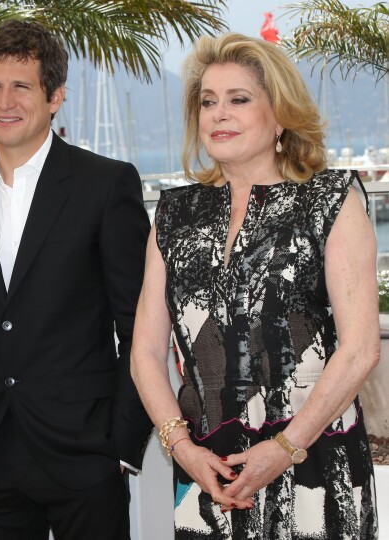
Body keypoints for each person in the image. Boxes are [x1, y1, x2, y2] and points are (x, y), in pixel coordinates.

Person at [130, 32, 379, 538]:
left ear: (281, 114)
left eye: (238, 99)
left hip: (315, 463)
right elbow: (146, 354)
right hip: (207, 469)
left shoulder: (329, 199)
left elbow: (360, 349)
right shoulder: (175, 212)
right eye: (207, 102)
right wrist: (182, 449)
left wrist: (285, 448)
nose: (218, 114)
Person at [0, 19, 152, 539]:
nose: (4, 101)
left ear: (55, 96)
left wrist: (122, 443)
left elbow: (139, 326)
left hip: (83, 454)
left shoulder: (106, 185)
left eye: (21, 86)